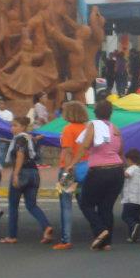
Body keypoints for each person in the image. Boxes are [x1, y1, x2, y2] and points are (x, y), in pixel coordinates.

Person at [75, 99, 125, 250]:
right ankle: (106, 243)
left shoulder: (93, 125)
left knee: (85, 203)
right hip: (117, 171)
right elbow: (121, 151)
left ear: (95, 112)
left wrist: (72, 163)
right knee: (106, 207)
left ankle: (100, 230)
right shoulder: (115, 129)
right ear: (110, 113)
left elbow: (85, 145)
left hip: (99, 171)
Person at [0, 116, 54, 244]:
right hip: (34, 173)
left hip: (22, 173)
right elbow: (32, 146)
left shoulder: (20, 139)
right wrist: (36, 139)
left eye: (15, 125)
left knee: (13, 205)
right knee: (31, 205)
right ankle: (46, 226)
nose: (12, 128)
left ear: (23, 127)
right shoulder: (29, 138)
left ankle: (12, 236)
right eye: (12, 125)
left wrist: (16, 174)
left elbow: (20, 155)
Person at [54, 100, 88, 251]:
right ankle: (99, 230)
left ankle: (66, 239)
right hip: (85, 168)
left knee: (65, 204)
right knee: (84, 202)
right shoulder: (87, 128)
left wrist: (68, 170)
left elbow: (67, 151)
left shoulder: (68, 129)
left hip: (68, 169)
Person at [121, 148, 140, 243]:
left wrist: (120, 171)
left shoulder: (131, 168)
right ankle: (134, 236)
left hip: (130, 199)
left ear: (130, 160)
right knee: (136, 217)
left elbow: (127, 175)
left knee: (126, 216)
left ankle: (133, 226)